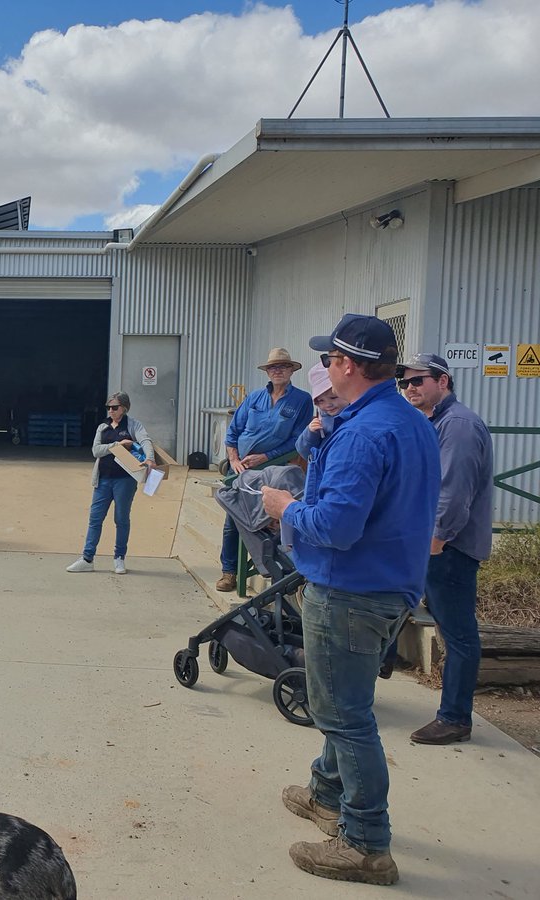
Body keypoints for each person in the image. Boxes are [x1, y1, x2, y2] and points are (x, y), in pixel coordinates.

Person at [261, 314, 439, 886]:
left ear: (349, 366)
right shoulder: (402, 420)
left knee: (343, 714)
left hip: (351, 591)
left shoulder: (365, 433)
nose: (325, 369)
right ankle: (327, 793)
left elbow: (336, 526)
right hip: (389, 586)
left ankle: (365, 842)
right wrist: (318, 435)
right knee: (347, 702)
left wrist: (282, 508)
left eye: (331, 360)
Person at [396, 352, 494, 745]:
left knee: (459, 636)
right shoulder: (435, 422)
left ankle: (455, 718)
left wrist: (435, 543)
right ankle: (383, 666)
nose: (410, 388)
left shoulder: (458, 426)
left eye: (419, 380)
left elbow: (453, 495)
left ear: (444, 382)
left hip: (449, 549)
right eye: (405, 382)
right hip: (435, 546)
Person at [217, 348, 312, 592]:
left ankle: (275, 569)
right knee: (233, 517)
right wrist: (234, 459)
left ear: (292, 370)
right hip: (240, 470)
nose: (277, 370)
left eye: (282, 366)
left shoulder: (301, 400)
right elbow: (233, 432)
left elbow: (298, 440)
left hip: (274, 471)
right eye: (273, 367)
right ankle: (228, 572)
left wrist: (265, 457)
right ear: (267, 372)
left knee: (266, 522)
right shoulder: (254, 398)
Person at [66, 392, 154, 574]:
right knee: (95, 518)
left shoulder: (133, 425)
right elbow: (96, 451)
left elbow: (145, 440)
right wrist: (117, 445)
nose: (111, 411)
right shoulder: (103, 427)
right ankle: (87, 558)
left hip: (125, 480)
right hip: (103, 479)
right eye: (109, 408)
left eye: (115, 407)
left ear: (124, 408)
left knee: (121, 519)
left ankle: (119, 558)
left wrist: (150, 459)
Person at [294, 361, 349, 459]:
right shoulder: (320, 421)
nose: (328, 405)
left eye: (333, 397)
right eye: (320, 401)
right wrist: (310, 433)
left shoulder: (355, 415)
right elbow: (304, 452)